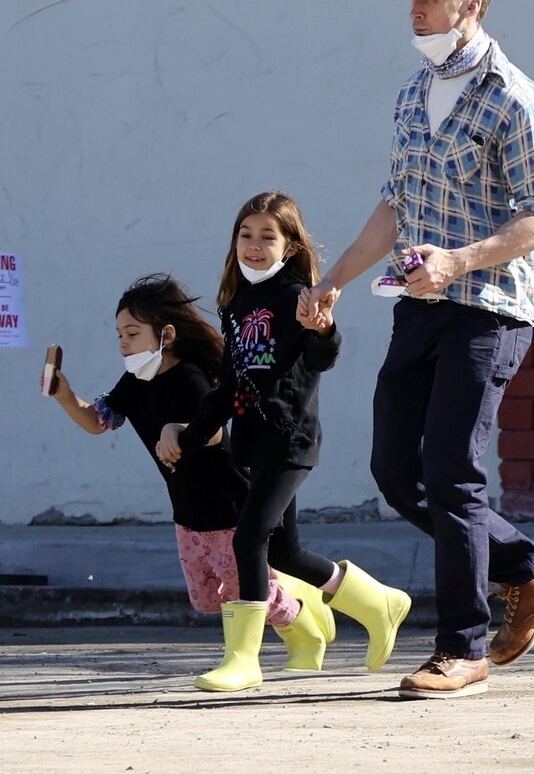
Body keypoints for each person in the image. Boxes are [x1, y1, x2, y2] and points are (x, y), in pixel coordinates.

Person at [305, 0, 534, 700]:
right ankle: (530, 569)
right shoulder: (411, 94)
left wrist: (460, 261)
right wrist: (331, 280)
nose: (417, 11)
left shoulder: (514, 97)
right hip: (417, 308)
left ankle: (462, 647)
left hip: (487, 311)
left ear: (474, 6)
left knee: (453, 472)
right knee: (397, 471)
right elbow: (395, 205)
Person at [157, 192, 411, 693]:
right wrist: (190, 435)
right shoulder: (235, 301)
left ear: (290, 245)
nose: (254, 245)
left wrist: (324, 329)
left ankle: (243, 659)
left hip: (290, 439)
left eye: (267, 236)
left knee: (247, 539)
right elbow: (229, 384)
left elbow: (320, 358)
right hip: (253, 442)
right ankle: (379, 602)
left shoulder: (298, 294)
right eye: (245, 235)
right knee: (286, 552)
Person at [45, 273, 335, 677]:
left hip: (228, 506)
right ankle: (286, 591)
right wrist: (64, 394)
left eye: (131, 332)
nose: (122, 343)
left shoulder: (189, 376)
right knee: (204, 599)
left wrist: (176, 430)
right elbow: (98, 421)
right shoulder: (135, 381)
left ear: (165, 333)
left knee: (240, 592)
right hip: (187, 512)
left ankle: (301, 620)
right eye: (118, 334)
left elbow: (213, 428)